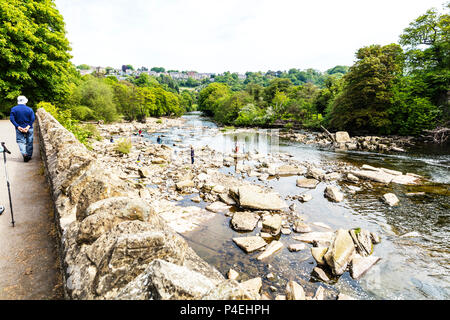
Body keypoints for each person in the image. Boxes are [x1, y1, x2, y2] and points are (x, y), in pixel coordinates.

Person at [10, 96, 35, 162]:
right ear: (25, 101)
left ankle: (24, 154)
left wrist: (18, 126)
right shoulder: (30, 109)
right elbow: (32, 119)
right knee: (29, 142)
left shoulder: (14, 109)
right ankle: (29, 156)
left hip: (19, 129)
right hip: (29, 128)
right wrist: (27, 127)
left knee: (21, 141)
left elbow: (12, 119)